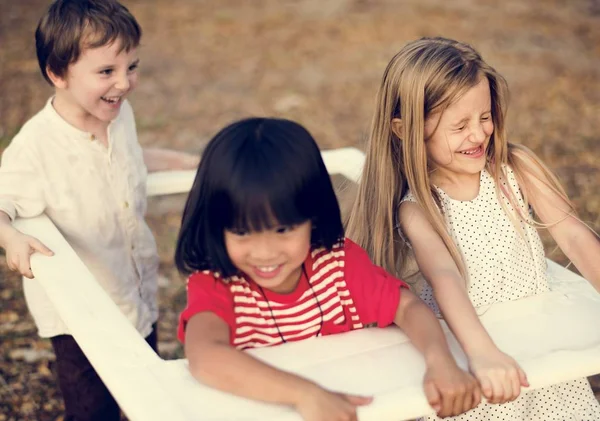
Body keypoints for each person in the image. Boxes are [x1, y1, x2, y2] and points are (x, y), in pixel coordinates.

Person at [346, 36, 600, 420]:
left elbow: (574, 235)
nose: (479, 135)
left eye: (485, 117)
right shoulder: (419, 209)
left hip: (543, 353)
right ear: (404, 130)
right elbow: (446, 277)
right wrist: (483, 353)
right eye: (460, 125)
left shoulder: (516, 167)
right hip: (483, 367)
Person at [176, 117, 481, 421]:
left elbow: (408, 308)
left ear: (313, 215)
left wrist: (440, 360)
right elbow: (205, 358)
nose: (264, 252)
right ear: (217, 227)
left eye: (282, 230)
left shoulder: (337, 266)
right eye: (242, 233)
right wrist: (304, 394)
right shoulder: (217, 285)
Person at [0, 1, 199, 420]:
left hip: (136, 294)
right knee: (94, 412)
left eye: (132, 67)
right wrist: (11, 236)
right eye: (107, 71)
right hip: (83, 320)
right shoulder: (36, 148)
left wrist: (175, 160)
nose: (124, 83)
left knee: (144, 395)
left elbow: (126, 158)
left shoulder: (116, 113)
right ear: (57, 74)